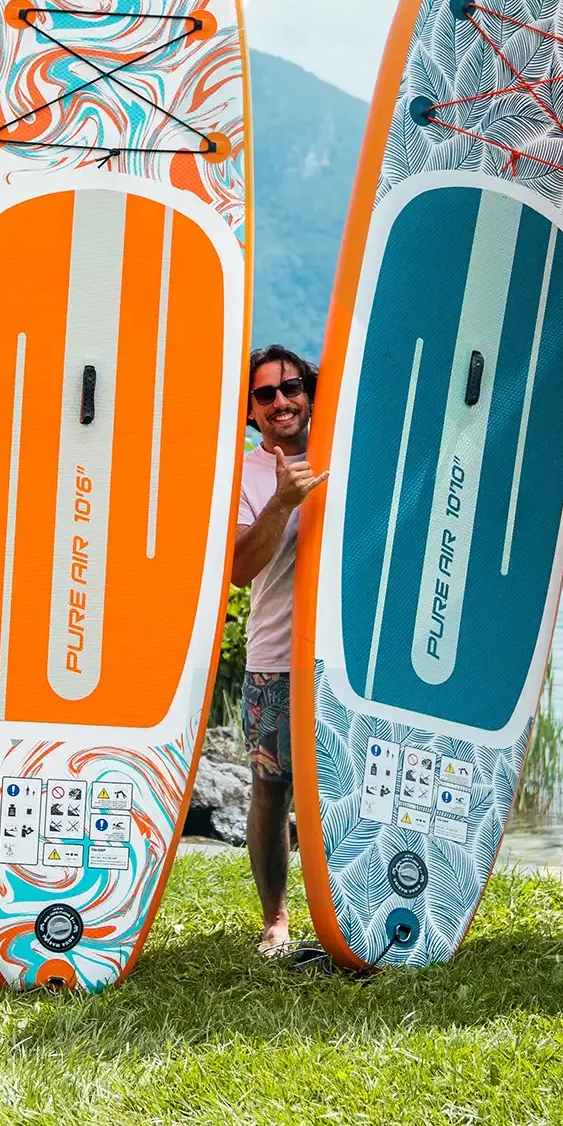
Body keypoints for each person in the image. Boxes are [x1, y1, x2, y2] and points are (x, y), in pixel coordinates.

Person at [230, 344, 328, 958]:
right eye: (265, 394)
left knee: (344, 786)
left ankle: (349, 909)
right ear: (250, 411)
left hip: (346, 657)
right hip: (275, 656)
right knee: (271, 789)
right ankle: (276, 920)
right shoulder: (241, 476)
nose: (281, 401)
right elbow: (239, 569)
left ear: (310, 394)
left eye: (291, 387)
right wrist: (283, 500)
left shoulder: (345, 450)